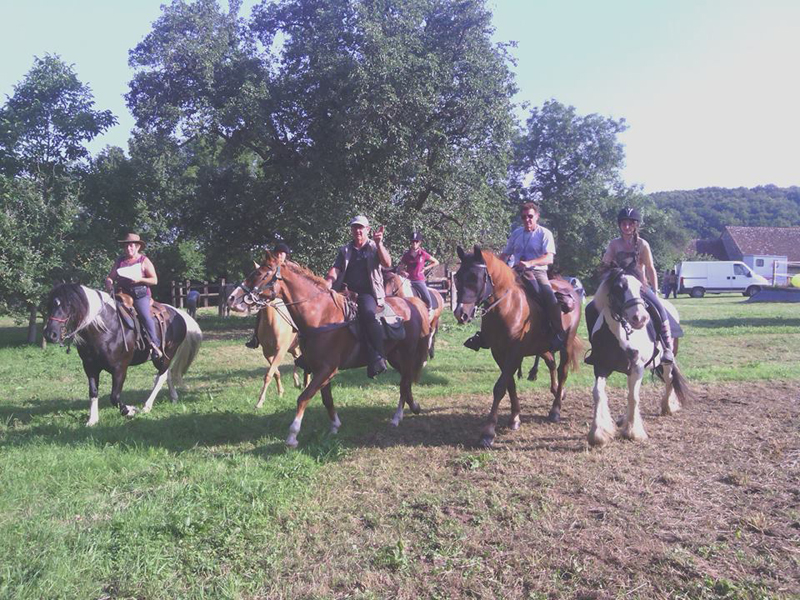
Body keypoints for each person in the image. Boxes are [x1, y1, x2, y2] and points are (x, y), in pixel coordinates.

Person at [464, 201, 566, 352]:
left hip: (537, 272)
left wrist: (530, 263)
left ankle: (558, 333)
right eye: (524, 217)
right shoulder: (517, 233)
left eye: (530, 216)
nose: (527, 219)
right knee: (491, 295)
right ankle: (484, 335)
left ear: (537, 216)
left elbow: (549, 258)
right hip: (515, 272)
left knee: (548, 296)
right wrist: (496, 268)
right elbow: (506, 254)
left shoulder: (544, 234)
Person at [601, 207, 674, 363]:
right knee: (590, 309)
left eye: (630, 224)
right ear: (619, 225)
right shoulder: (614, 244)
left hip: (640, 286)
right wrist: (606, 266)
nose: (627, 227)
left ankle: (667, 347)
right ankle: (597, 348)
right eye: (624, 224)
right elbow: (605, 263)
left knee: (659, 308)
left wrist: (655, 290)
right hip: (620, 287)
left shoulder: (642, 244)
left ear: (635, 225)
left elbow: (650, 268)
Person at [324, 215, 392, 378]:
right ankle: (315, 354)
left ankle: (379, 355)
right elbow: (336, 269)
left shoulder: (374, 247)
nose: (358, 231)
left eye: (361, 227)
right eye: (355, 227)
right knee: (323, 312)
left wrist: (379, 243)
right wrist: (327, 282)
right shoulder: (345, 250)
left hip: (367, 293)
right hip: (345, 292)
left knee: (368, 315)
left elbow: (387, 263)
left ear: (367, 230)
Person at [105, 232, 162, 359]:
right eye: (126, 246)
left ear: (137, 247)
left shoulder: (144, 260)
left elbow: (154, 280)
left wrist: (140, 279)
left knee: (144, 315)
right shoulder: (120, 261)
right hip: (122, 294)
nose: (128, 248)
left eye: (131, 245)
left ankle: (154, 344)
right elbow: (111, 277)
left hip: (140, 294)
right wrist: (109, 282)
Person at [246, 242, 291, 349]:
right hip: (272, 297)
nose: (279, 255)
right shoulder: (271, 267)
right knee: (261, 312)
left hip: (287, 298)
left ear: (286, 255)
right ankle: (255, 337)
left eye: (282, 253)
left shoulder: (290, 267)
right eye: (277, 253)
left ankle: (301, 335)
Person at [399, 232, 439, 316]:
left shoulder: (423, 254)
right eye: (413, 241)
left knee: (427, 297)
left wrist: (425, 268)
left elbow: (436, 262)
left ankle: (429, 310)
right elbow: (400, 269)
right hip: (408, 281)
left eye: (416, 241)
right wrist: (403, 272)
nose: (414, 243)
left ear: (420, 242)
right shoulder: (406, 255)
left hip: (418, 280)